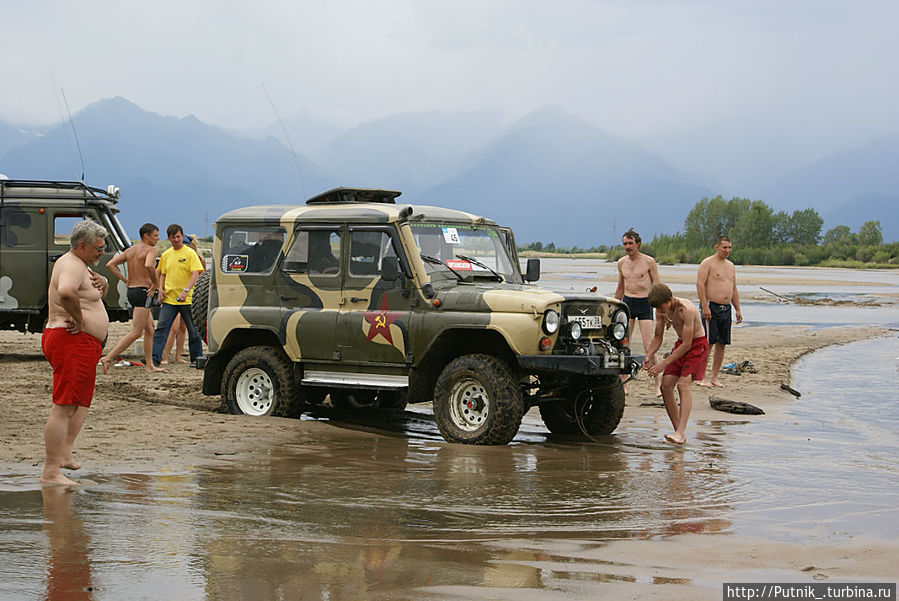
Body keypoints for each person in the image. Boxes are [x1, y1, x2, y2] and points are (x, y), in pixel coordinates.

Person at [41, 220, 111, 485]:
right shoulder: (71, 264)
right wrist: (80, 320)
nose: (102, 252)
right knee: (63, 406)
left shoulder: (81, 264)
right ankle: (50, 472)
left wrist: (104, 282)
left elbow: (86, 293)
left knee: (79, 402)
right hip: (71, 341)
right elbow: (66, 292)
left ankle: (64, 454)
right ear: (82, 245)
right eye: (98, 248)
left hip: (82, 344)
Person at [644, 283, 709, 444]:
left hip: (696, 346)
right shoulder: (661, 311)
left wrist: (663, 364)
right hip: (680, 345)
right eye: (657, 309)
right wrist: (648, 355)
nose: (659, 311)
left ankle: (680, 432)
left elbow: (687, 344)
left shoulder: (686, 309)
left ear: (670, 300)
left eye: (661, 307)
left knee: (683, 385)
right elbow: (658, 337)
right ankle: (678, 432)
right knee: (665, 386)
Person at [99, 223, 164, 374]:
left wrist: (125, 280)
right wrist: (155, 284)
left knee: (150, 328)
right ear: (146, 236)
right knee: (136, 332)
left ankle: (149, 365)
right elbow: (149, 265)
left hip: (132, 290)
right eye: (155, 235)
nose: (158, 238)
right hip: (143, 292)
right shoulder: (151, 250)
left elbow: (110, 264)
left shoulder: (130, 251)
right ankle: (108, 357)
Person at [614, 228, 662, 396]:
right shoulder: (622, 263)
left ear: (638, 244)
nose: (628, 247)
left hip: (645, 302)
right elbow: (620, 287)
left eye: (630, 243)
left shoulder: (649, 262)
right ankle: (624, 383)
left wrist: (661, 309)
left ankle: (657, 383)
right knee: (623, 344)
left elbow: (657, 285)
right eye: (625, 244)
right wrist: (615, 306)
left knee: (649, 345)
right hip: (628, 302)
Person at [151, 224, 205, 368]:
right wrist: (160, 289)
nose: (176, 240)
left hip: (188, 299)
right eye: (173, 237)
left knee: (193, 330)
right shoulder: (166, 254)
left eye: (178, 237)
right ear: (169, 238)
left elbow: (196, 273)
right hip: (169, 299)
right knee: (162, 328)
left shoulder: (190, 253)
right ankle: (155, 358)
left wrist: (185, 291)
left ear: (182, 236)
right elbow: (162, 273)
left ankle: (196, 358)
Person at [696, 235, 743, 387]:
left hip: (726, 308)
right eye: (724, 247)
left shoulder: (731, 266)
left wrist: (737, 309)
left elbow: (733, 288)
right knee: (708, 342)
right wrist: (704, 306)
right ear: (717, 247)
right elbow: (700, 285)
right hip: (711, 306)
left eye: (729, 247)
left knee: (722, 343)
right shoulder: (708, 263)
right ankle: (702, 376)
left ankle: (714, 377)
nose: (727, 250)